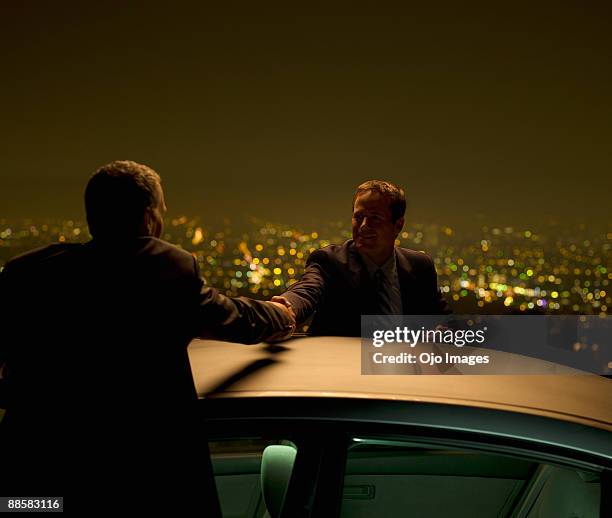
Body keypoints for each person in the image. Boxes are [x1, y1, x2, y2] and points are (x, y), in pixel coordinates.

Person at [0, 160, 294, 509]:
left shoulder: (27, 273)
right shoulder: (162, 266)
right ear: (148, 216)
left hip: (37, 481)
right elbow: (234, 319)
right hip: (143, 479)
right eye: (161, 209)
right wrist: (281, 314)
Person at [273, 180, 451, 336]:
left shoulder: (420, 266)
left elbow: (444, 318)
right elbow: (306, 292)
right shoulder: (329, 261)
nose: (364, 226)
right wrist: (284, 309)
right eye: (358, 217)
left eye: (375, 218)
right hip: (340, 369)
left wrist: (442, 331)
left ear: (398, 225)